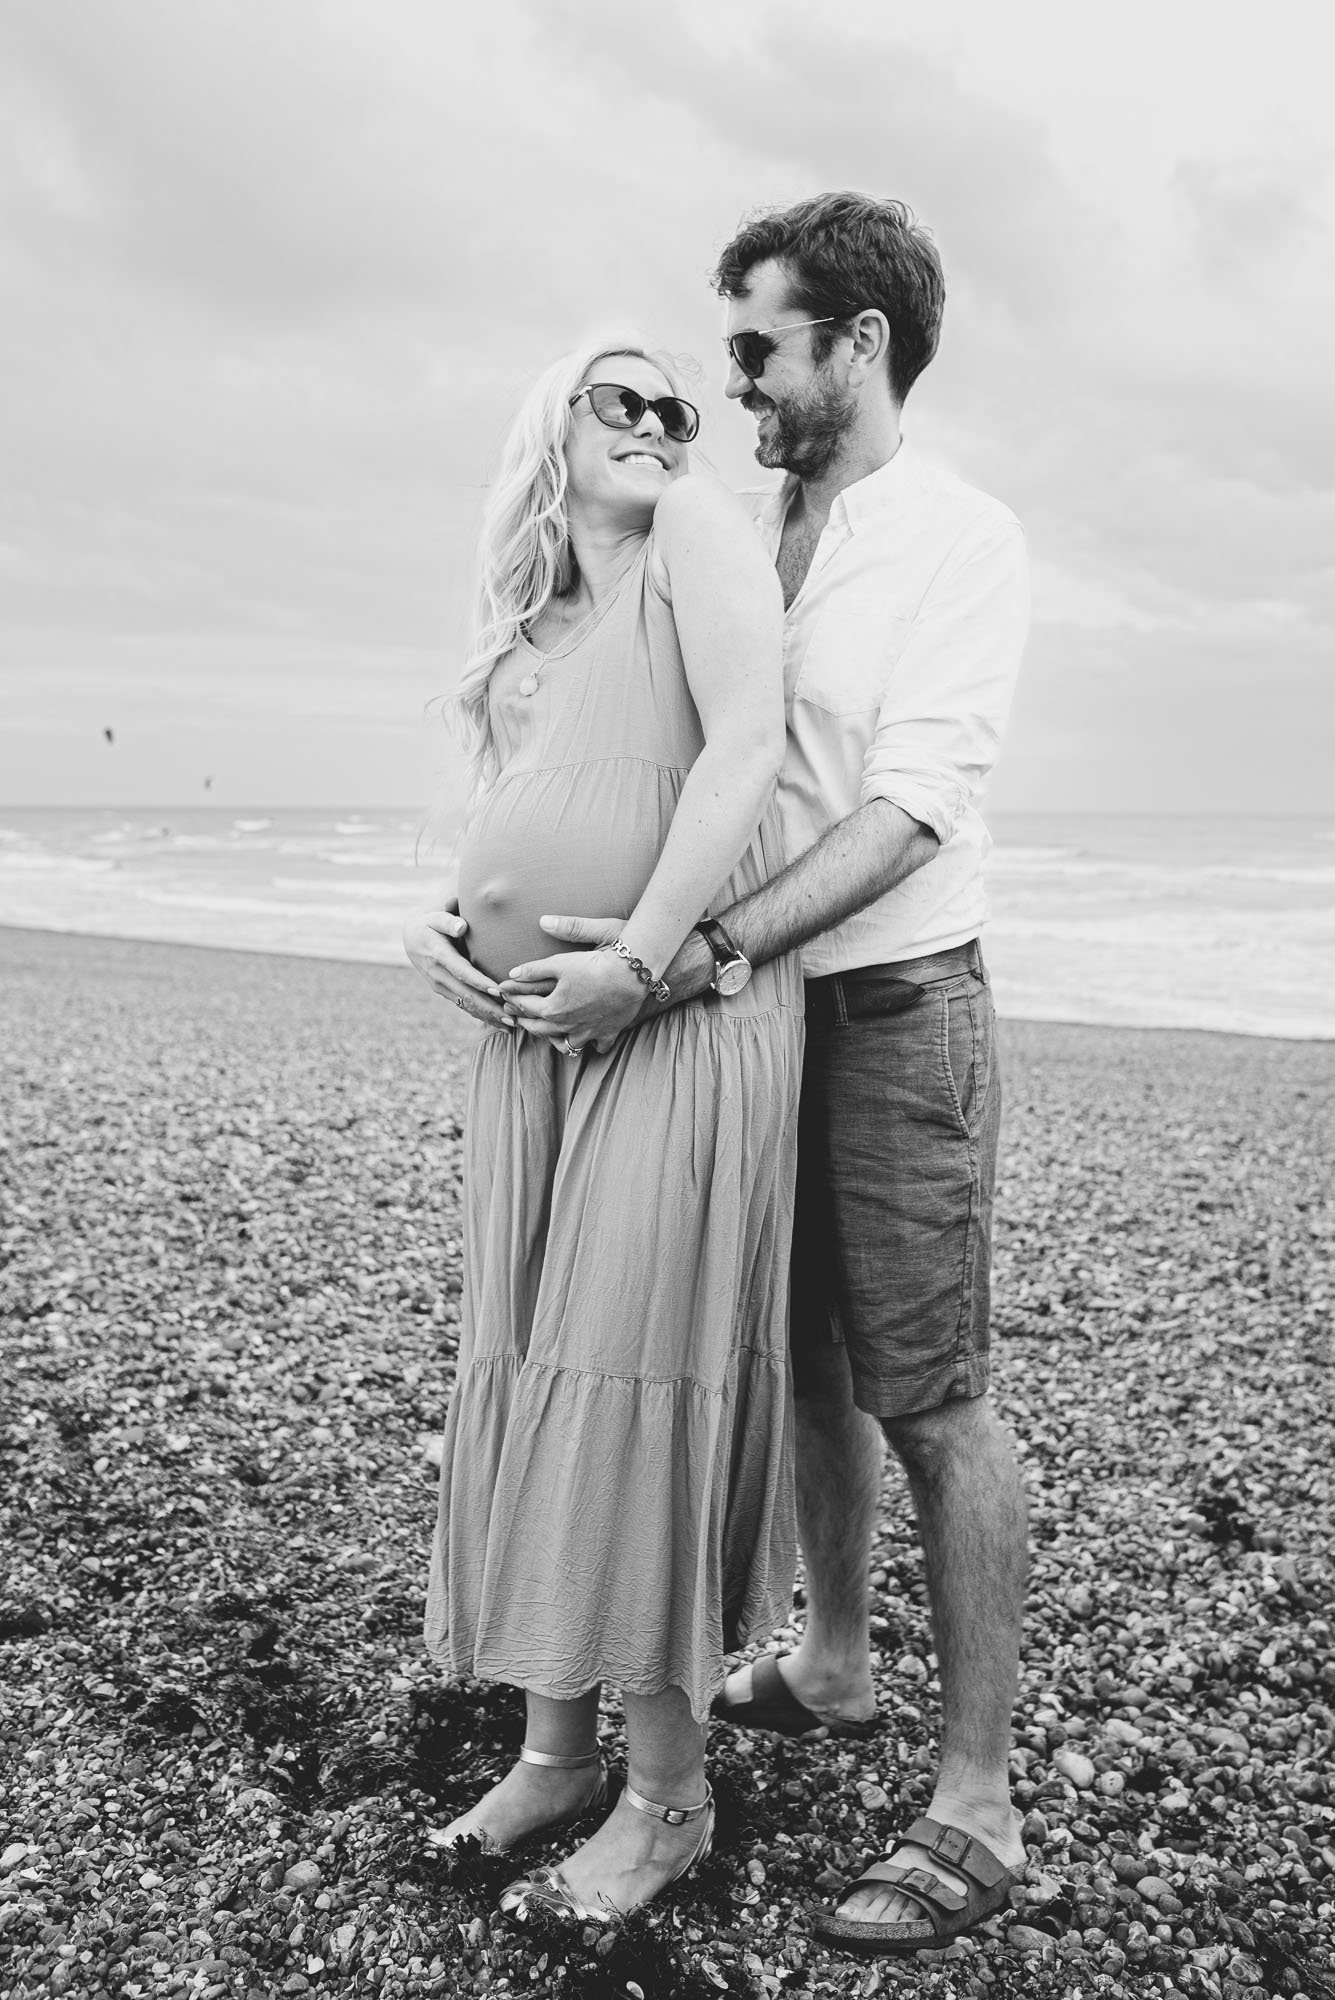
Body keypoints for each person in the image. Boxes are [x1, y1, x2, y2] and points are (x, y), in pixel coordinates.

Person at [431, 192, 1032, 1956]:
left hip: (888, 998)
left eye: (759, 347)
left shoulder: (957, 539)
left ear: (858, 341)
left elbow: (912, 807)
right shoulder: (737, 520)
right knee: (795, 1366)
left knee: (930, 1389)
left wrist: (693, 950)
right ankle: (831, 1661)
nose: (733, 384)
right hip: (728, 1018)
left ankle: (978, 1801)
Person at [404, 340, 803, 1927]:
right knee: (533, 1361)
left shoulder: (691, 539)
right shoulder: (521, 631)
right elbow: (498, 834)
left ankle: (669, 1799)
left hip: (676, 1018)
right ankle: (553, 1748)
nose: (654, 427)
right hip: (530, 1046)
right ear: (548, 429)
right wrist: (431, 932)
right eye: (616, 400)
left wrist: (638, 963)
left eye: (672, 408)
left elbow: (745, 752)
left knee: (621, 1374)